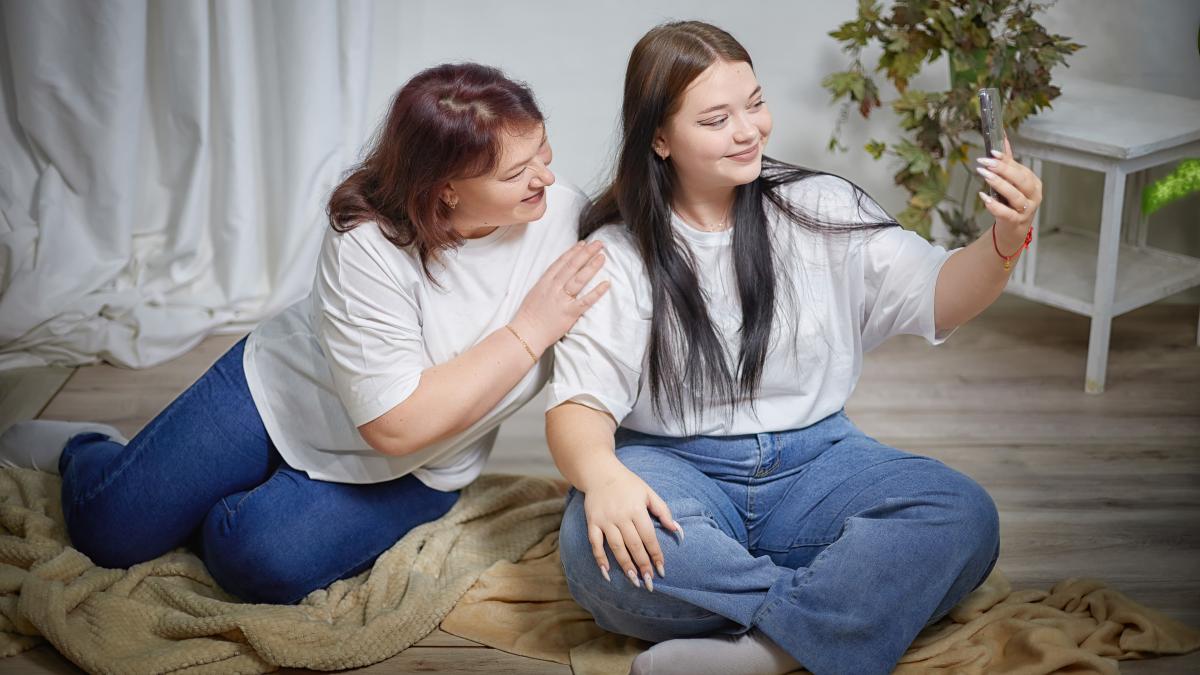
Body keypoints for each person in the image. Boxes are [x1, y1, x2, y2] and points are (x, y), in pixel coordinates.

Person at [0, 62, 609, 605]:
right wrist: (531, 330)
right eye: (517, 173)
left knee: (251, 558)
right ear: (445, 188)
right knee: (107, 532)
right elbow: (394, 423)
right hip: (285, 395)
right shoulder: (367, 237)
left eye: (544, 154)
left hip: (421, 467)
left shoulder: (568, 223)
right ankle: (87, 447)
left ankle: (224, 494)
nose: (545, 181)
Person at [545, 21, 1042, 675]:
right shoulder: (619, 251)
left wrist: (1006, 238)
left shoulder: (821, 207)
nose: (749, 129)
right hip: (675, 473)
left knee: (963, 513)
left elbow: (940, 294)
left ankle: (766, 652)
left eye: (754, 103)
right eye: (717, 118)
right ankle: (841, 606)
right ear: (660, 138)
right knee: (590, 547)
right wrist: (605, 478)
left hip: (821, 464)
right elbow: (576, 407)